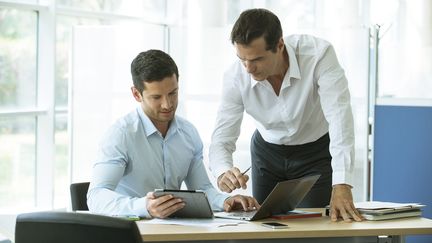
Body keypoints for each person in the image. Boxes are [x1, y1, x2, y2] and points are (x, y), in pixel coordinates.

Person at [208, 8, 363, 222]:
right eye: (242, 59)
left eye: (257, 59)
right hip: (267, 153)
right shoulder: (236, 76)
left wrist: (342, 183)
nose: (248, 69)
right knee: (264, 225)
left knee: (314, 226)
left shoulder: (319, 55)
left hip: (315, 153)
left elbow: (340, 118)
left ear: (280, 45)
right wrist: (223, 171)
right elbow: (221, 139)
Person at [87, 49, 259, 219]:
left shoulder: (188, 134)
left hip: (171, 231)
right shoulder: (121, 135)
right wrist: (144, 206)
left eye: (172, 93)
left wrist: (226, 201)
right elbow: (96, 197)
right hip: (131, 231)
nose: (167, 104)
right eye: (156, 97)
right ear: (136, 94)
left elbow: (202, 190)